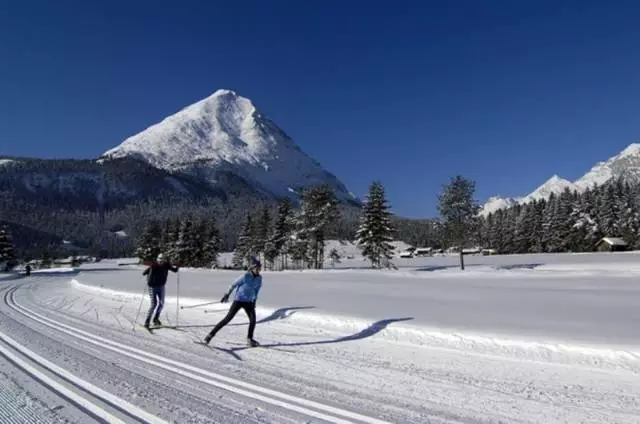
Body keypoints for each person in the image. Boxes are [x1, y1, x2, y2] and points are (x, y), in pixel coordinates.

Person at [204, 258, 262, 347]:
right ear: (252, 268)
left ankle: (249, 339)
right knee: (227, 319)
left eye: (260, 268)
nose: (259, 270)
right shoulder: (245, 276)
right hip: (238, 301)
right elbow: (233, 285)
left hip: (249, 303)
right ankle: (210, 335)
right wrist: (227, 294)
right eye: (257, 268)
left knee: (253, 321)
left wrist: (254, 301)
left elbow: (256, 290)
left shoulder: (259, 278)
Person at [142, 254, 178, 328]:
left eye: (162, 260)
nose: (161, 262)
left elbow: (175, 270)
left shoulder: (166, 265)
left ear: (164, 260)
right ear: (157, 260)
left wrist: (178, 265)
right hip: (152, 287)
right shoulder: (154, 265)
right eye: (160, 260)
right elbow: (144, 272)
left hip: (161, 287)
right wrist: (148, 272)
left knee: (161, 304)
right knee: (154, 304)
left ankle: (155, 319)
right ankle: (147, 321)